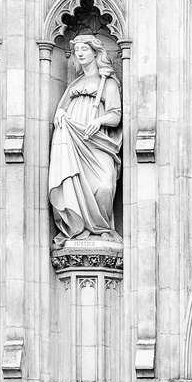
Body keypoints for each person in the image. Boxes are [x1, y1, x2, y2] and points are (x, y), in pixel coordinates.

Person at [49, 34, 124, 243]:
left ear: (95, 52)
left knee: (104, 186)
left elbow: (115, 115)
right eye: (77, 50)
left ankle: (101, 229)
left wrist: (99, 121)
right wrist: (60, 114)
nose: (80, 53)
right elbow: (61, 109)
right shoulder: (75, 84)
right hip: (73, 141)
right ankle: (79, 228)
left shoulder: (106, 82)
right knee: (74, 186)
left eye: (84, 49)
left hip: (97, 141)